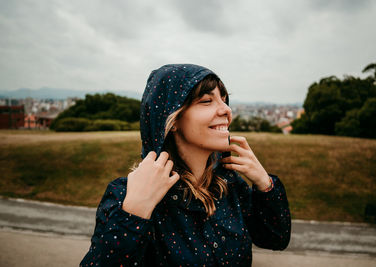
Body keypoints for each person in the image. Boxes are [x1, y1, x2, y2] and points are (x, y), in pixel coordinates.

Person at [80, 64, 291, 267]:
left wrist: (265, 184)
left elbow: (275, 239)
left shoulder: (229, 184)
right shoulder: (126, 195)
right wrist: (134, 213)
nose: (226, 109)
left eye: (224, 99)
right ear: (172, 119)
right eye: (207, 101)